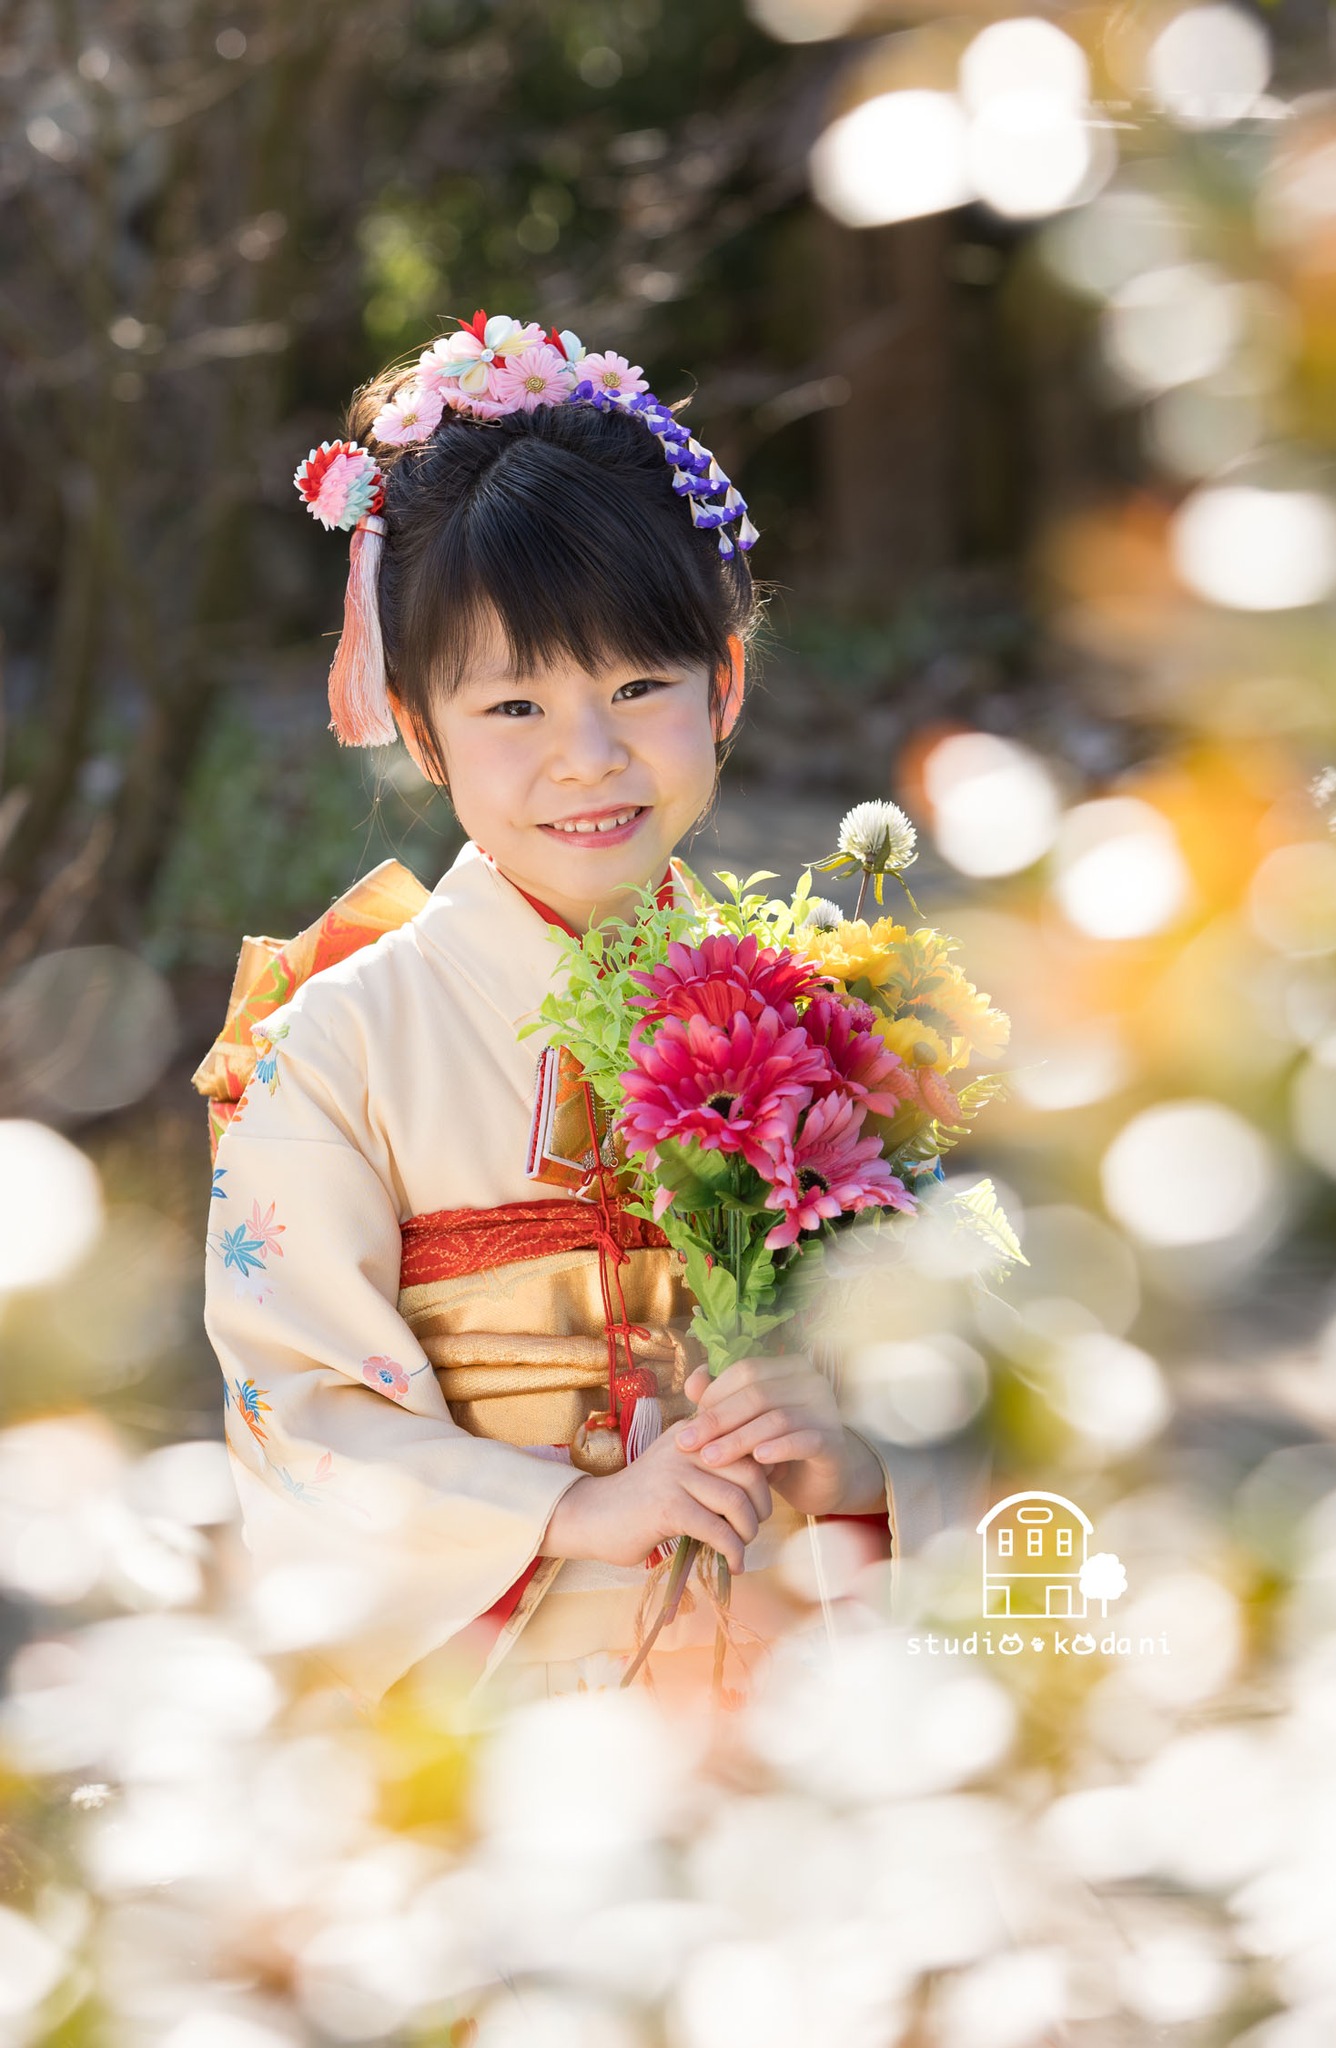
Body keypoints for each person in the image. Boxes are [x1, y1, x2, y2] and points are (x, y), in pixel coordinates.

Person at [198, 314, 967, 1710]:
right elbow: (294, 1420)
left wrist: (857, 1464)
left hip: (777, 1708)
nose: (589, 759)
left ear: (723, 681)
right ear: (420, 733)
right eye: (511, 707)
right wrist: (561, 1512)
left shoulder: (812, 1023)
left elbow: (937, 1366)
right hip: (499, 1723)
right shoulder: (339, 1044)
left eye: (637, 686)